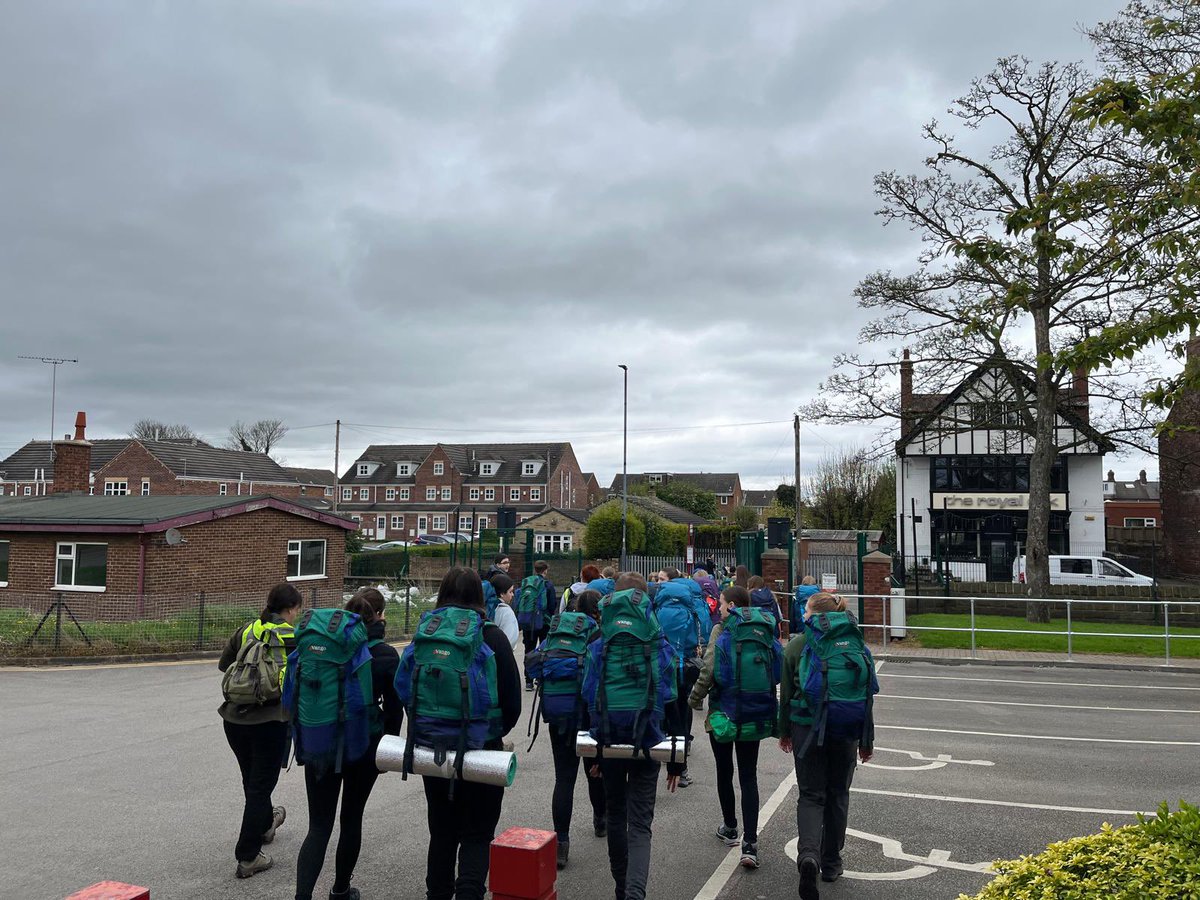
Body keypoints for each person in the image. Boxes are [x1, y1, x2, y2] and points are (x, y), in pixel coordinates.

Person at [415, 567, 522, 900]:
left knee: (442, 831)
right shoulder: (491, 636)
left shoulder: (426, 631)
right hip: (481, 747)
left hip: (432, 747)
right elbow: (514, 702)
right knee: (477, 833)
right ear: (481, 595)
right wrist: (491, 733)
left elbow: (406, 689)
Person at [294, 589, 402, 900]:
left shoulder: (321, 647)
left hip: (321, 739)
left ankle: (302, 896)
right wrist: (386, 748)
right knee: (351, 818)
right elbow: (395, 710)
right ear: (379, 616)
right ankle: (340, 890)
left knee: (318, 827)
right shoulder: (384, 655)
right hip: (364, 746)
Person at [584, 572, 685, 900]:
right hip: (648, 737)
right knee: (640, 824)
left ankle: (620, 885)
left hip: (610, 737)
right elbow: (672, 697)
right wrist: (674, 760)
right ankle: (635, 893)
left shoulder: (599, 641)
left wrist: (596, 751)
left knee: (615, 811)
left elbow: (589, 695)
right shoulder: (658, 641)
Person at [779, 592, 877, 899]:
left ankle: (809, 855)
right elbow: (867, 693)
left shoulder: (799, 643)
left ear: (814, 614)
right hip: (846, 728)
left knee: (810, 795)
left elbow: (787, 692)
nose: (803, 615)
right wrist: (866, 738)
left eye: (806, 610)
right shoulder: (856, 643)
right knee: (838, 794)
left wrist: (784, 732)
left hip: (807, 727)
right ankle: (832, 861)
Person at [689, 586, 778, 869]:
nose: (720, 608)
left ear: (731, 606)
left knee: (724, 771)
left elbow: (709, 669)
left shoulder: (722, 630)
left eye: (723, 604)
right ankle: (750, 843)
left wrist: (694, 699)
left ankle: (730, 827)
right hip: (753, 711)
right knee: (748, 775)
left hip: (723, 714)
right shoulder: (762, 630)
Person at [217, 583, 302, 880]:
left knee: (252, 780)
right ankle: (248, 855)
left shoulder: (247, 630)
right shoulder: (294, 637)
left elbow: (223, 665)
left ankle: (266, 823)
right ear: (291, 609)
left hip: (234, 719)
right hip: (270, 721)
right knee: (259, 787)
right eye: (297, 611)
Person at [542, 589, 607, 868]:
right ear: (597, 612)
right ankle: (600, 821)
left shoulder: (556, 631)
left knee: (564, 779)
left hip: (558, 714)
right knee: (595, 772)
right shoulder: (596, 634)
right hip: (587, 715)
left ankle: (561, 844)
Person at [652, 567, 710, 790]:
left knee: (660, 711)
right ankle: (681, 766)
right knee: (681, 713)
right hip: (685, 666)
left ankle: (654, 756)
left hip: (661, 665)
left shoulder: (656, 603)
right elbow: (704, 630)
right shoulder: (693, 603)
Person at [519, 561, 556, 690]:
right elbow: (552, 606)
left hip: (528, 620)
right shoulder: (547, 584)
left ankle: (528, 680)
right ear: (545, 570)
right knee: (544, 650)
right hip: (544, 622)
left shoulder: (526, 582)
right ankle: (540, 679)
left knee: (528, 649)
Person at [489, 573, 521, 649]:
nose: (512, 595)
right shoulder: (506, 612)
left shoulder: (487, 606)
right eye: (510, 592)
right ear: (502, 593)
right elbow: (510, 640)